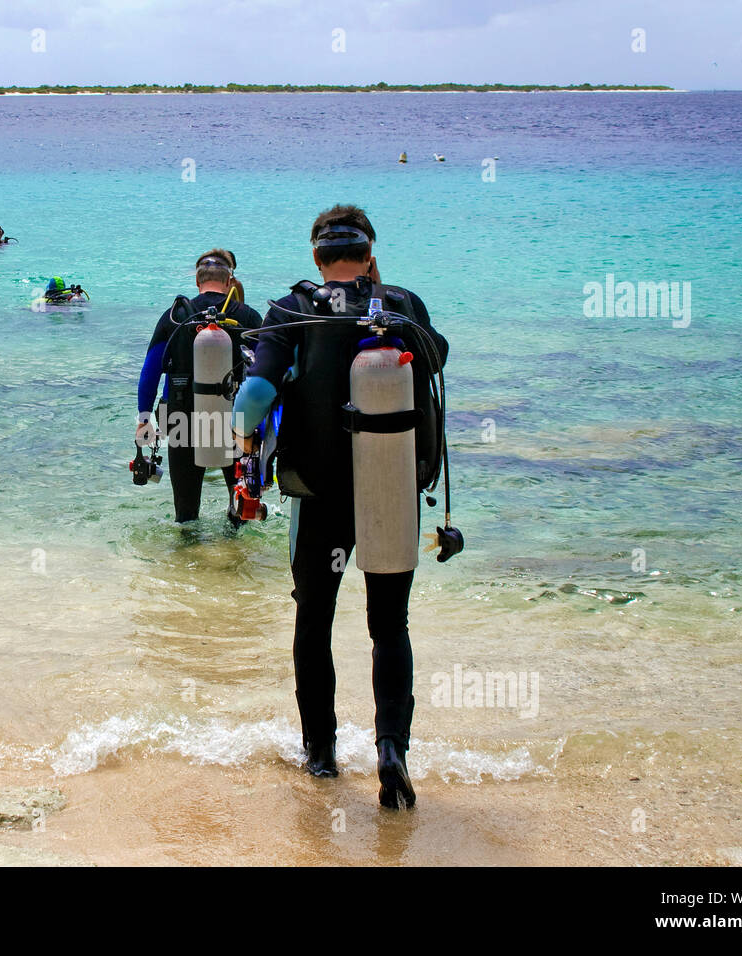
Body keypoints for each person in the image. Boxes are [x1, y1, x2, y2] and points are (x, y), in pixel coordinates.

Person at [231, 205, 448, 808]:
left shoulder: (291, 310)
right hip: (390, 493)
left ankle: (322, 758)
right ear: (370, 253)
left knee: (314, 621)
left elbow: (252, 401)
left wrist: (243, 443)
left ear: (316, 256)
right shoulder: (403, 306)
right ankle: (391, 751)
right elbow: (437, 365)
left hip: (319, 499)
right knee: (389, 627)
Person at [136, 250, 262, 524]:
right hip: (237, 422)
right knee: (242, 511)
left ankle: (185, 562)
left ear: (197, 281)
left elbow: (150, 372)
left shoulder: (175, 315)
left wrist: (144, 418)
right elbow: (266, 373)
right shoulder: (247, 316)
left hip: (182, 419)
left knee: (186, 515)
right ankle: (236, 558)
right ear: (230, 281)